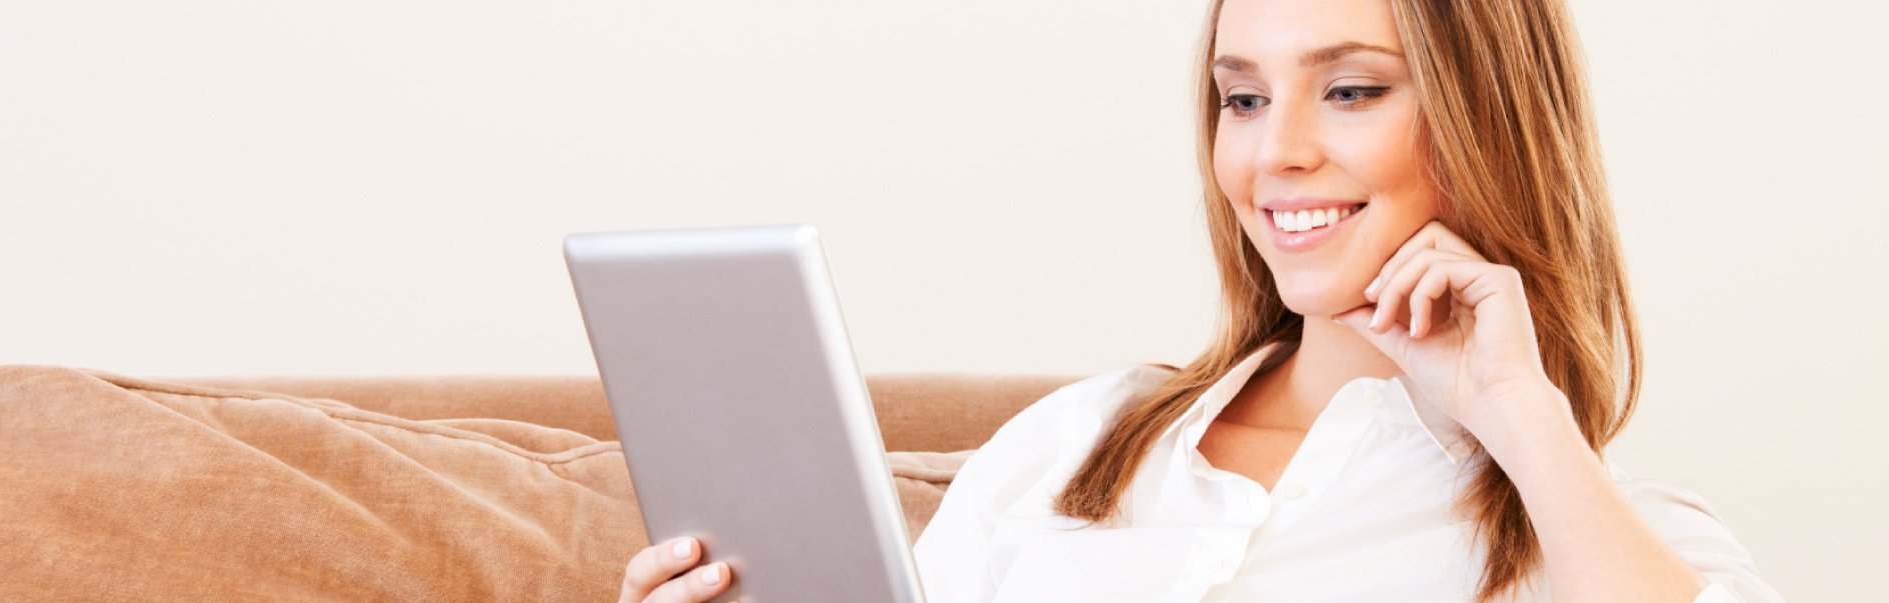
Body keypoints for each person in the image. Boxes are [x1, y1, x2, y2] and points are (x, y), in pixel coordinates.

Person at [619, 0, 1782, 601]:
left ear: (1489, 119)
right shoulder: (1077, 447)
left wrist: (1522, 415)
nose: (1275, 154)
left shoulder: (1594, 528)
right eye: (1241, 99)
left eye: (1350, 89)